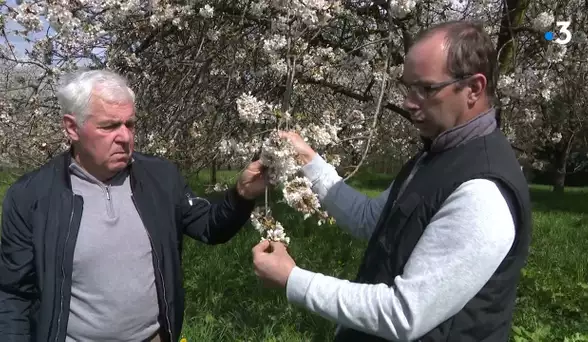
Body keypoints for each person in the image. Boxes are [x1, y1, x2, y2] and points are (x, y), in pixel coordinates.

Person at [252, 20, 532, 341]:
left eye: (425, 89)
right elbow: (369, 219)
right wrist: (308, 160)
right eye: (408, 87)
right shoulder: (435, 156)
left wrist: (293, 279)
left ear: (474, 89)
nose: (409, 102)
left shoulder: (483, 191)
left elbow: (404, 314)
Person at [0, 69, 266, 342]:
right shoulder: (31, 197)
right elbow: (13, 294)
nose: (125, 137)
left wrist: (242, 194)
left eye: (130, 124)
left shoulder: (160, 178)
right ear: (72, 128)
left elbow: (210, 226)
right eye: (109, 126)